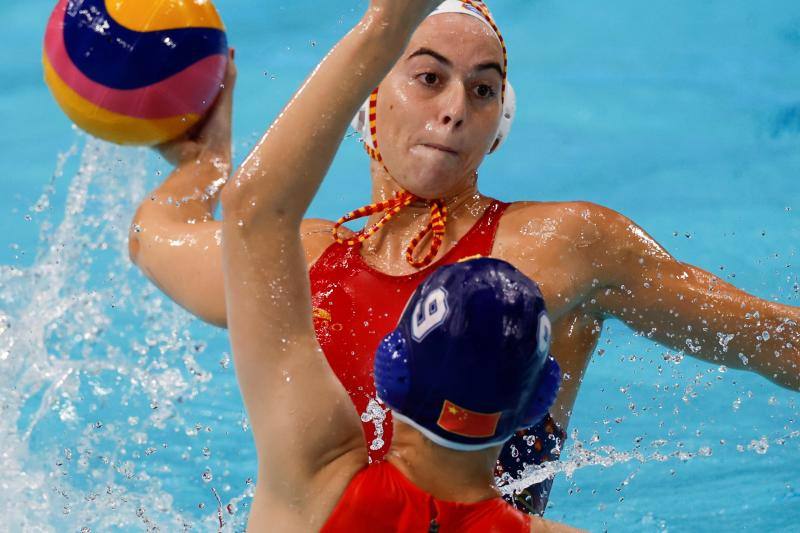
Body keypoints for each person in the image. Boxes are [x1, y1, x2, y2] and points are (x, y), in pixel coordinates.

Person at [128, 0, 800, 516]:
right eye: (428, 78)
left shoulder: (560, 245)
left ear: (499, 124)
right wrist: (206, 160)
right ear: (368, 99)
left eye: (482, 90)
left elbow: (769, 338)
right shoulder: (301, 260)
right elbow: (153, 237)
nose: (454, 110)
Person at [217, 4, 580, 530]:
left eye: (483, 89)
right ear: (534, 403)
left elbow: (253, 215)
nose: (454, 110)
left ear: (391, 372)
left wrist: (384, 24)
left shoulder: (316, 484)